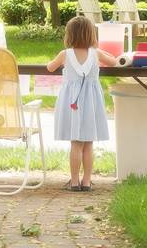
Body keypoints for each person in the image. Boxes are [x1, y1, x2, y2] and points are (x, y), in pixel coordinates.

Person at [47, 16, 117, 192]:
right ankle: (87, 181)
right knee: (88, 143)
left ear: (69, 35)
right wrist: (105, 52)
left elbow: (50, 67)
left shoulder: (65, 54)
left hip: (72, 102)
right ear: (91, 34)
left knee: (75, 143)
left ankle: (74, 181)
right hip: (91, 102)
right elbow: (114, 62)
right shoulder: (96, 54)